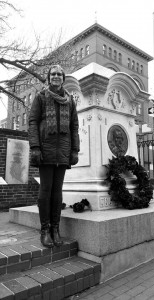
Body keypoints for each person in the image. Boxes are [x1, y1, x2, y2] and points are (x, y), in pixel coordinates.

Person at [28, 64, 80, 248]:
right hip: (45, 149)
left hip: (63, 151)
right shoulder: (41, 97)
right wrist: (35, 146)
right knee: (45, 190)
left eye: (59, 74)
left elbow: (74, 126)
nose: (56, 76)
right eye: (53, 74)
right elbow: (33, 122)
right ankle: (45, 230)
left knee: (57, 192)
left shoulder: (70, 100)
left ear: (63, 78)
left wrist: (75, 150)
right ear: (49, 78)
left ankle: (55, 230)